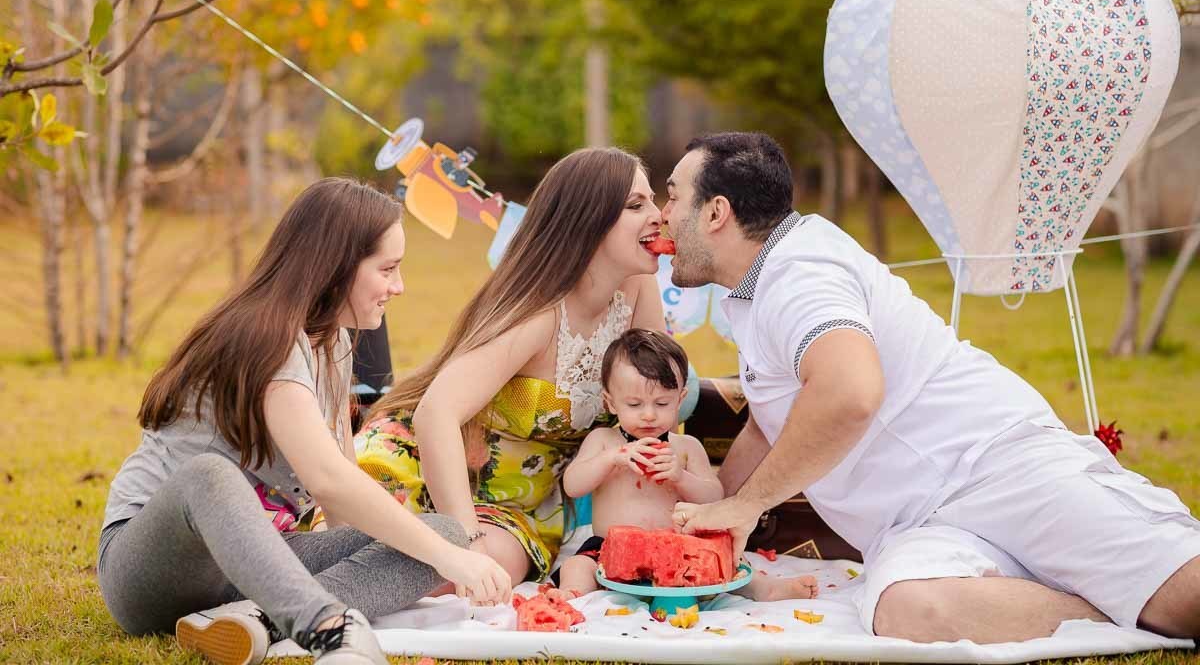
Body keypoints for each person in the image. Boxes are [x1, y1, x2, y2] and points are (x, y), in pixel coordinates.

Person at [663, 132, 1200, 644]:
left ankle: (1142, 597)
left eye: (672, 196)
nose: (664, 215)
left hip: (993, 468)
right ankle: (1109, 607)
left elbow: (850, 393)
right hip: (916, 525)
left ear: (716, 212)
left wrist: (748, 505)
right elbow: (767, 424)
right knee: (909, 610)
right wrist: (716, 512)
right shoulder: (755, 290)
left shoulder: (801, 273)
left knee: (1187, 596)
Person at [98, 178, 511, 665]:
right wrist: (447, 561)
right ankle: (328, 630)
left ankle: (255, 620)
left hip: (254, 567)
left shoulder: (334, 344)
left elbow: (344, 486)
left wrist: (442, 550)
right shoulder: (262, 336)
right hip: (151, 568)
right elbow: (327, 479)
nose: (398, 286)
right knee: (209, 475)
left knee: (442, 533)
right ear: (336, 267)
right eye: (387, 269)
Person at [357, 148, 669, 588]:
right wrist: (465, 547)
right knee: (456, 573)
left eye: (653, 200)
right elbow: (435, 413)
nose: (659, 215)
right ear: (589, 220)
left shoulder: (637, 290)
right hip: (417, 467)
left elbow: (660, 398)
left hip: (517, 507)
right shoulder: (540, 314)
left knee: (498, 571)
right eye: (636, 205)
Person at [555, 328, 819, 602]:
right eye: (634, 404)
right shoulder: (603, 441)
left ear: (680, 400)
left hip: (680, 548)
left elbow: (714, 497)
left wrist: (680, 477)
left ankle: (766, 589)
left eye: (662, 403)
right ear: (610, 403)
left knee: (729, 562)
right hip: (610, 549)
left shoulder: (686, 448)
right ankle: (572, 593)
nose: (649, 415)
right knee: (577, 565)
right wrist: (613, 458)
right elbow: (573, 486)